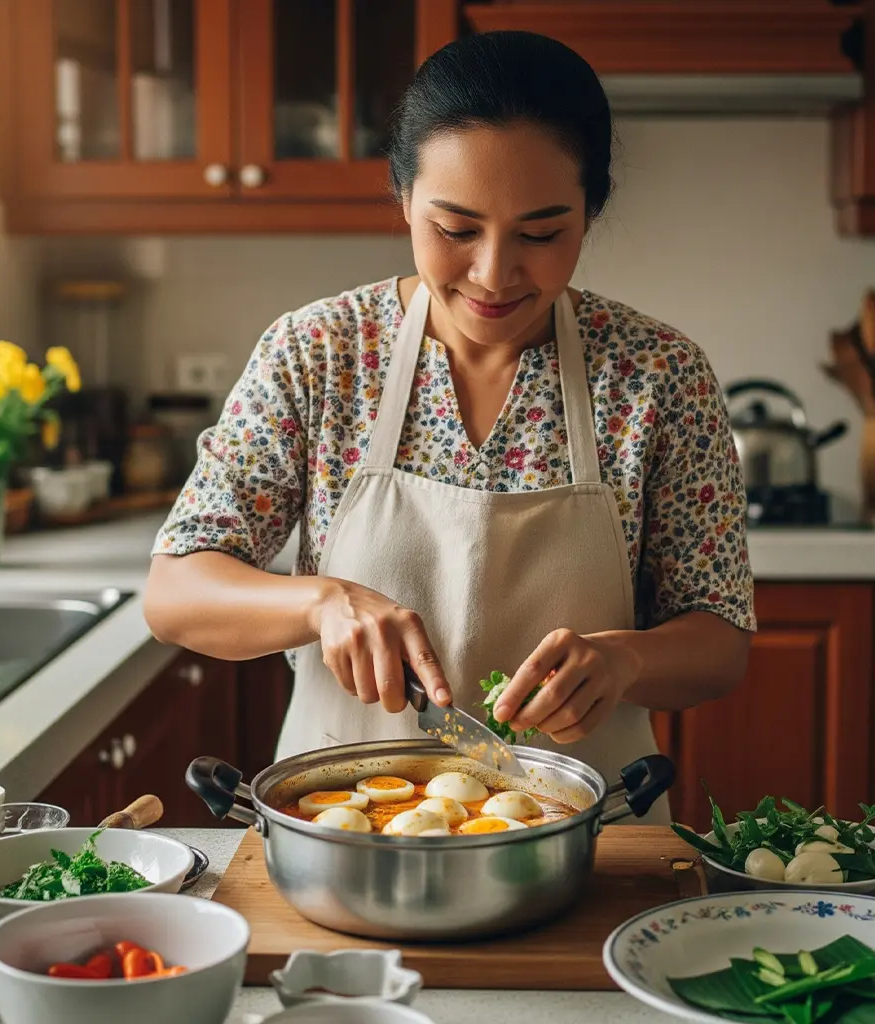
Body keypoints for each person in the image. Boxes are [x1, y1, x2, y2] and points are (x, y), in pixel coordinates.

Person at [144, 30, 755, 821]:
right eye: (456, 229)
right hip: (343, 839)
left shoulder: (657, 375)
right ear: (403, 198)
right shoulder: (319, 353)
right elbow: (174, 592)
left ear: (590, 211)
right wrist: (320, 604)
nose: (494, 274)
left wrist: (625, 660)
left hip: (587, 846)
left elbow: (720, 640)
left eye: (541, 234)